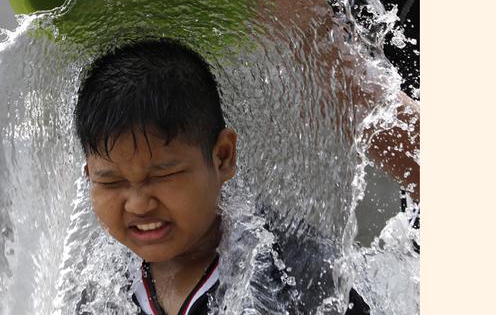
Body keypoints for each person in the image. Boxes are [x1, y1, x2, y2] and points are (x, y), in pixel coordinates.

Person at [74, 38, 377, 314]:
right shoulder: (103, 286)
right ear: (90, 177)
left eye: (164, 175)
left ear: (222, 157)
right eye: (111, 182)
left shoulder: (293, 273)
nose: (139, 205)